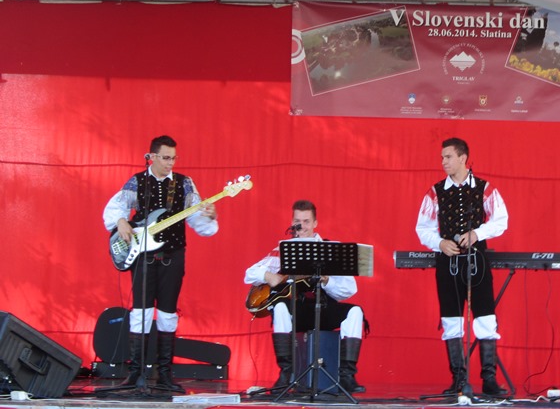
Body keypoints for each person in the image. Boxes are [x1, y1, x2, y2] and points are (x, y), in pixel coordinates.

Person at [102, 135, 219, 393]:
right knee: (140, 312)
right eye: (166, 158)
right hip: (143, 256)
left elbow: (198, 220)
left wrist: (210, 215)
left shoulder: (184, 183)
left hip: (173, 256)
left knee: (167, 313)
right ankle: (136, 373)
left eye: (174, 158)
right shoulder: (137, 182)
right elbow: (115, 207)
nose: (170, 163)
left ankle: (165, 374)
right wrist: (120, 221)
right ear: (152, 157)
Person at [415, 137, 509, 397]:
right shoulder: (435, 191)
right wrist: (440, 242)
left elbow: (501, 219)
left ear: (462, 158)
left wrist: (477, 233)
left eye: (448, 157)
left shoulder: (484, 188)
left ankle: (489, 379)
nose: (443, 162)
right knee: (451, 320)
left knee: (486, 319)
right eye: (442, 157)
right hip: (448, 263)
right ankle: (458, 379)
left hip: (477, 262)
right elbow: (422, 227)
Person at [244, 200, 366, 394]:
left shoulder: (330, 249)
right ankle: (286, 373)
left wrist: (327, 281)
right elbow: (249, 273)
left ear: (315, 223)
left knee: (355, 312)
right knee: (280, 306)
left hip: (322, 309)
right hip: (296, 312)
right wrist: (269, 276)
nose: (302, 226)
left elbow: (349, 289)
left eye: (306, 221)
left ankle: (347, 376)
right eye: (297, 221)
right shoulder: (283, 250)